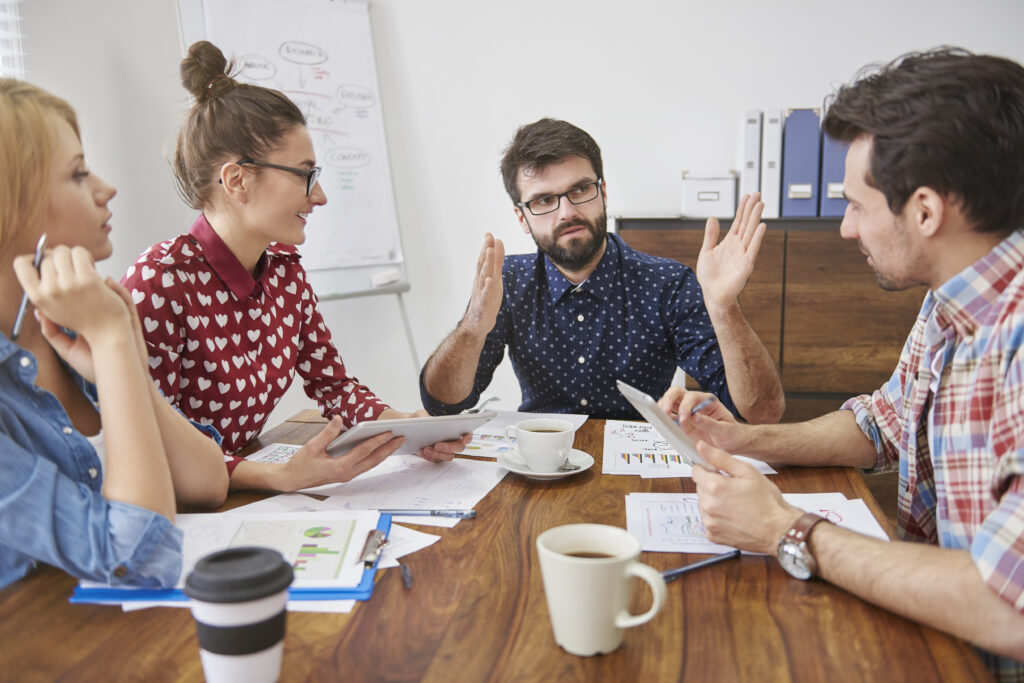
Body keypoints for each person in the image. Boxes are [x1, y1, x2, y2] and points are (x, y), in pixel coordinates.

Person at [661, 48, 1024, 680]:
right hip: (937, 631)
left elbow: (1008, 605)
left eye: (856, 205)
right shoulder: (950, 300)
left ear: (927, 211)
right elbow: (882, 423)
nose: (845, 230)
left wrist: (785, 529)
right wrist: (742, 438)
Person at [123, 41, 468, 494]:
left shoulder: (285, 271)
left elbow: (333, 385)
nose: (320, 195)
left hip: (245, 488)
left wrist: (409, 429)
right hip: (183, 506)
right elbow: (153, 447)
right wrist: (279, 476)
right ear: (238, 179)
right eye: (305, 174)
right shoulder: (159, 281)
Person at [0, 79, 229, 590]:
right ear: (9, 209)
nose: (106, 187)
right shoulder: (90, 330)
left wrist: (119, 357)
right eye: (79, 174)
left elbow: (206, 483)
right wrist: (109, 342)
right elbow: (140, 561)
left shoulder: (69, 329)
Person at [420, 118, 784, 424]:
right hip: (540, 465)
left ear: (603, 193)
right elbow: (443, 404)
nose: (566, 212)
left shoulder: (667, 284)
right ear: (522, 217)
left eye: (580, 190)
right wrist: (472, 326)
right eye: (544, 200)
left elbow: (760, 414)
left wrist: (723, 306)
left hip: (640, 472)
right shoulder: (508, 282)